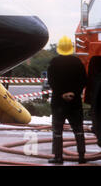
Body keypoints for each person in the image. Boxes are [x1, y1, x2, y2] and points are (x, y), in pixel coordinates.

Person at [47, 36, 87, 164]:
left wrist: (62, 94)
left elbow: (52, 81)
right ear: (71, 48)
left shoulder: (54, 62)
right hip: (75, 103)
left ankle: (58, 158)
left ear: (59, 49)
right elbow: (83, 81)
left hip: (58, 102)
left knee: (57, 131)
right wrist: (73, 93)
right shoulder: (78, 62)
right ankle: (81, 157)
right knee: (79, 130)